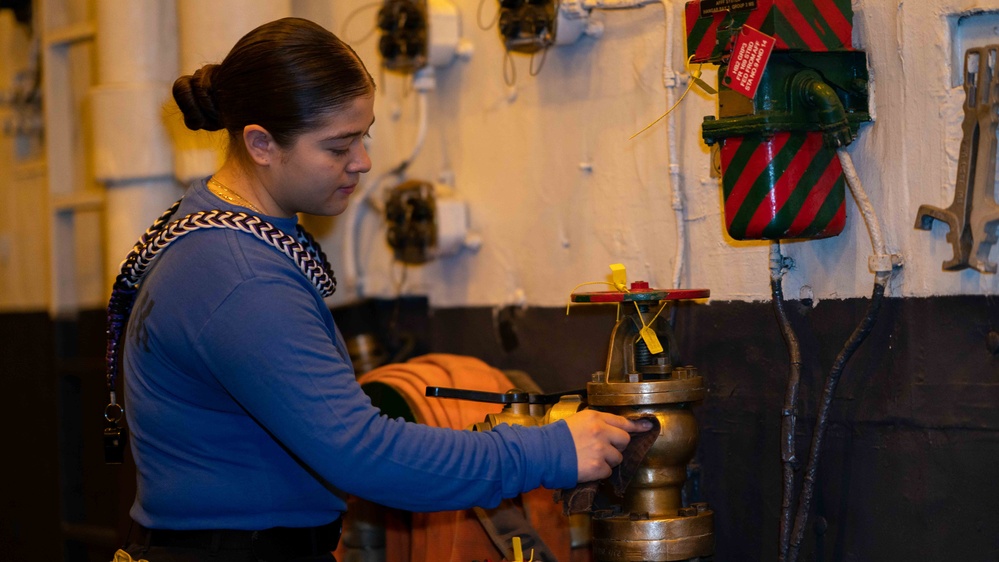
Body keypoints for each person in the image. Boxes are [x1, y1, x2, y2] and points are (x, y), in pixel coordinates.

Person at [116, 17, 647, 562]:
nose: (363, 162)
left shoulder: (211, 230)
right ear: (261, 144)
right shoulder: (241, 276)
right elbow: (363, 453)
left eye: (363, 136)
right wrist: (551, 449)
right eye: (338, 146)